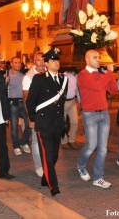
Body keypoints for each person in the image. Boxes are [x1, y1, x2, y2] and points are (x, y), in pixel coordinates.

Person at [26, 48, 68, 197]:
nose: (57, 63)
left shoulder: (64, 79)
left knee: (54, 155)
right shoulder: (39, 78)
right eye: (53, 60)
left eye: (58, 60)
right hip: (43, 123)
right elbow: (30, 102)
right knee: (47, 155)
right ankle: (53, 185)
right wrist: (32, 119)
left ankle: (45, 177)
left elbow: (61, 103)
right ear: (47, 63)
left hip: (57, 124)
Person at [77, 50, 117, 189]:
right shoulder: (82, 75)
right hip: (90, 115)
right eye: (95, 57)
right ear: (87, 59)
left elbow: (113, 90)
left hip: (104, 114)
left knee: (103, 148)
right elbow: (97, 86)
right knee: (91, 146)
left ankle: (98, 178)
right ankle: (81, 166)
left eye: (99, 57)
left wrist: (109, 75)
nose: (98, 60)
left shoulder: (101, 75)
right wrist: (109, 73)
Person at [22, 51, 45, 177]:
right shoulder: (28, 77)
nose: (41, 62)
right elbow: (26, 99)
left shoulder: (49, 73)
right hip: (35, 114)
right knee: (36, 141)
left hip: (47, 114)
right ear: (34, 61)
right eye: (38, 60)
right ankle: (38, 166)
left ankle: (46, 163)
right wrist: (30, 118)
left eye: (43, 59)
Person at [7, 57, 31, 156]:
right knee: (14, 126)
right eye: (15, 63)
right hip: (13, 103)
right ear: (12, 63)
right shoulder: (6, 75)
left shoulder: (24, 76)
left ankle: (24, 142)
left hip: (24, 102)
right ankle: (16, 146)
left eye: (19, 63)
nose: (18, 64)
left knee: (29, 123)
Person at [61, 71, 79, 149]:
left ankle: (72, 140)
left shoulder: (76, 76)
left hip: (72, 101)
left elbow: (77, 89)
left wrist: (79, 100)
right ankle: (64, 141)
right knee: (63, 123)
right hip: (63, 102)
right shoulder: (62, 76)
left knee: (75, 122)